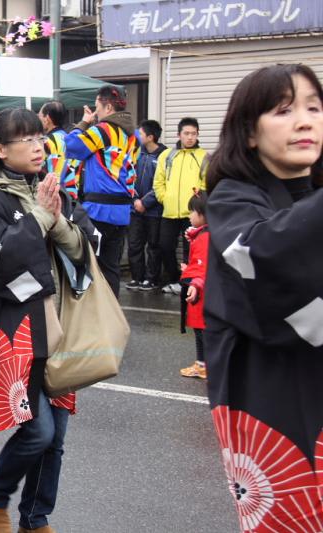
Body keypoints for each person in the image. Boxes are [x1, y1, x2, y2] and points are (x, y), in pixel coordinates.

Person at [203, 64, 323, 532]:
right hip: (277, 396)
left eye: (314, 107)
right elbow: (263, 258)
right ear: (250, 133)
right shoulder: (232, 202)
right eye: (284, 110)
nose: (305, 121)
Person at [0, 107, 89, 533]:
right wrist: (39, 218)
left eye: (40, 138)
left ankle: (36, 519)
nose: (38, 147)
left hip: (58, 324)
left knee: (57, 436)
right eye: (26, 140)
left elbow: (86, 248)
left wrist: (56, 218)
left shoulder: (50, 188)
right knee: (38, 432)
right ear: (0, 150)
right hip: (17, 327)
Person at [65, 85, 139, 297]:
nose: (95, 112)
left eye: (97, 106)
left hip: (98, 210)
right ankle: (112, 310)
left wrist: (84, 123)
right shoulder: (133, 135)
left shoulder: (103, 130)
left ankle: (95, 311)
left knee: (91, 265)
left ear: (108, 106)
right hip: (122, 212)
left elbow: (71, 146)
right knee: (111, 267)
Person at [153, 117, 208, 295]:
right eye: (186, 133)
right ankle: (174, 279)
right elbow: (158, 181)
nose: (190, 137)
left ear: (198, 134)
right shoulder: (166, 155)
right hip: (169, 212)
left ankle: (188, 283)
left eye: (193, 133)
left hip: (192, 214)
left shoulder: (204, 156)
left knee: (190, 250)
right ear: (179, 135)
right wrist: (165, 198)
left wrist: (198, 205)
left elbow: (207, 184)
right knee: (165, 246)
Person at [126, 119, 168, 291]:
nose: (138, 136)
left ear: (150, 137)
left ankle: (151, 279)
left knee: (153, 246)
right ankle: (137, 277)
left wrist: (145, 202)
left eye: (141, 133)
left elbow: (163, 184)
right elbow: (129, 177)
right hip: (135, 209)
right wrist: (135, 200)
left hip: (154, 210)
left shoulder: (165, 156)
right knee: (134, 244)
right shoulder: (136, 153)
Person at [177, 190, 208, 380]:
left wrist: (194, 282)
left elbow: (203, 265)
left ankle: (204, 364)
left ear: (202, 214)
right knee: (200, 329)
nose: (189, 215)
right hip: (202, 288)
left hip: (202, 291)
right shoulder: (202, 234)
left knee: (201, 330)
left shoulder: (204, 237)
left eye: (192, 211)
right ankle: (203, 363)